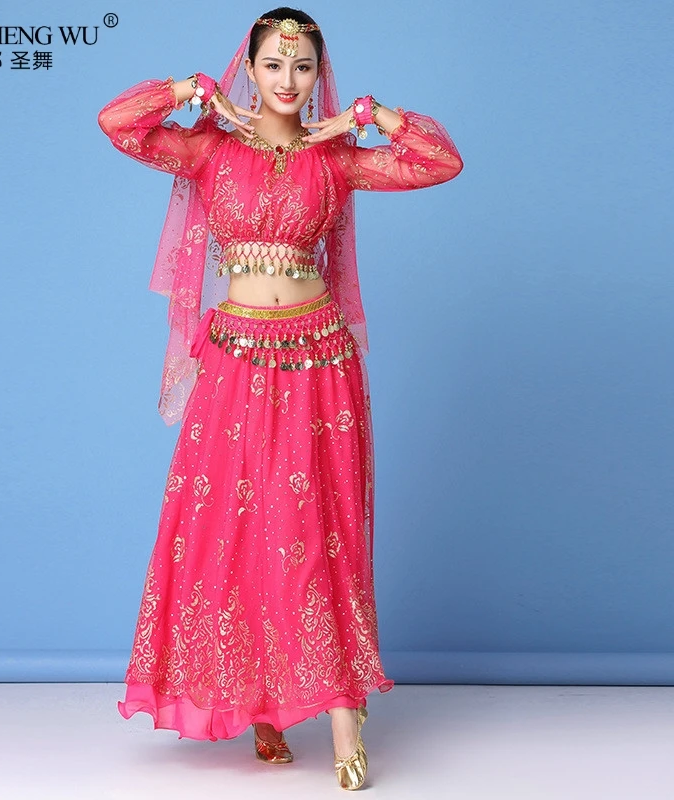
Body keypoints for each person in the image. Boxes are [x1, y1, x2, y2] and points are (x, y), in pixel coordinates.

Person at [97, 7, 462, 790]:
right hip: (234, 357)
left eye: (302, 66)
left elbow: (440, 160)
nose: (288, 80)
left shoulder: (337, 159)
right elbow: (118, 124)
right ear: (249, 69)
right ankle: (260, 699)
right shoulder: (210, 149)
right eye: (273, 64)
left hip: (318, 359)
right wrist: (185, 89)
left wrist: (369, 115)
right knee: (235, 524)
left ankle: (343, 714)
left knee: (316, 527)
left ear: (319, 74)